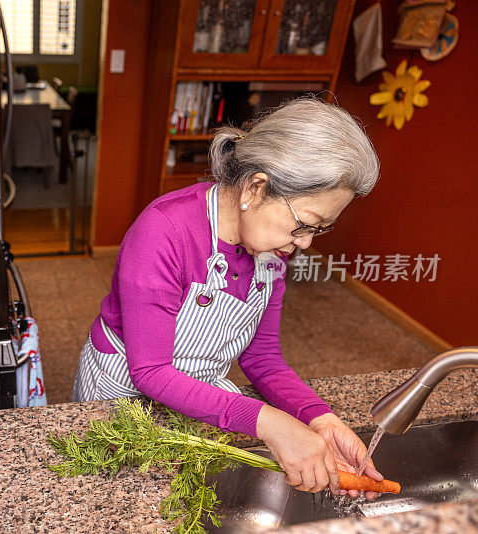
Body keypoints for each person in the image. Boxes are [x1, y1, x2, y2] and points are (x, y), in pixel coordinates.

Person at [73, 98, 384, 498]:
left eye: (320, 230)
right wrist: (271, 423)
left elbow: (263, 358)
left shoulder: (271, 252)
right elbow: (150, 372)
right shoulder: (164, 231)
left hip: (201, 398)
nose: (304, 243)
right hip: (122, 393)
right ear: (257, 187)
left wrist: (320, 419)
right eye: (305, 224)